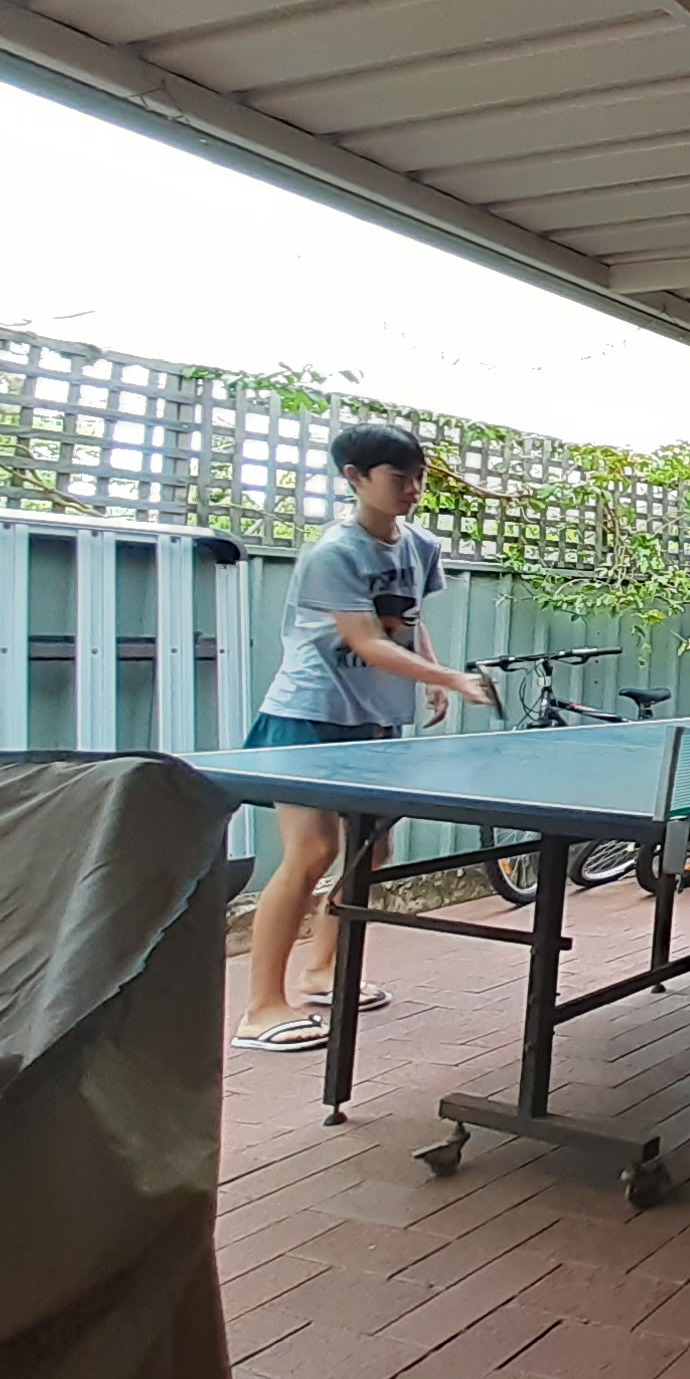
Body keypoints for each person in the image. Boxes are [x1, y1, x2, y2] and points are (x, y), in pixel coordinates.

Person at [232, 421, 495, 1052]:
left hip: (375, 719)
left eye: (419, 478)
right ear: (354, 477)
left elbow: (407, 619)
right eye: (398, 478)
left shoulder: (420, 546)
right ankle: (260, 1009)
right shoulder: (334, 554)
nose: (413, 490)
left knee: (370, 853)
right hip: (309, 714)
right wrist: (451, 679)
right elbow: (365, 641)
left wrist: (430, 674)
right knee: (312, 852)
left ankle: (323, 971)